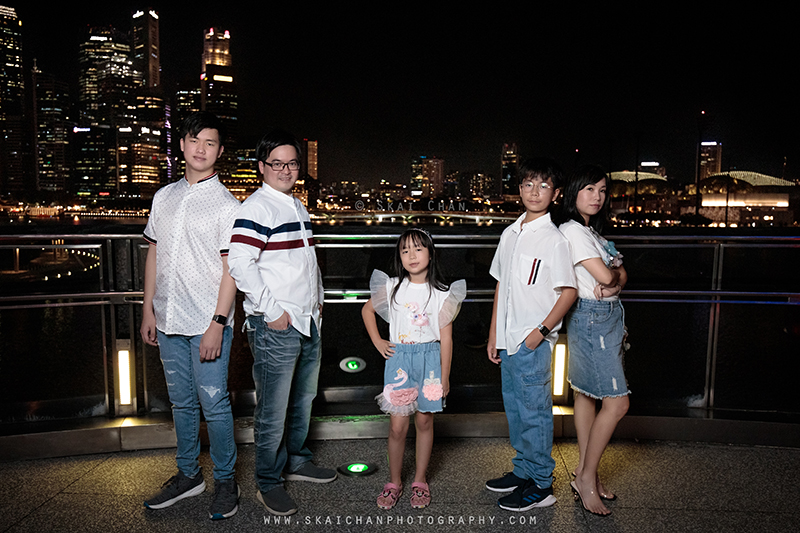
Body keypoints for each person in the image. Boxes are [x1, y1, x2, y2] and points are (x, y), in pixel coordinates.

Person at [227, 129, 335, 517]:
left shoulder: (296, 205)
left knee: (302, 398)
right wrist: (272, 312)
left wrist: (318, 305)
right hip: (277, 324)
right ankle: (268, 482)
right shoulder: (257, 207)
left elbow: (304, 263)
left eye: (292, 163)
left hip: (307, 320)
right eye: (277, 163)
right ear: (262, 167)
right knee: (273, 408)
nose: (286, 169)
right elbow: (239, 264)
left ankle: (297, 460)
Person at [141, 111, 241, 520]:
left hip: (206, 324)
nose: (201, 148)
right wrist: (148, 308)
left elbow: (230, 269)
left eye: (211, 143)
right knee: (181, 404)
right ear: (182, 144)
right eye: (195, 140)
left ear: (219, 152)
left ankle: (226, 481)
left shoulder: (227, 205)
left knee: (214, 405)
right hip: (166, 320)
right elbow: (154, 253)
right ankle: (188, 475)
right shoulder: (163, 196)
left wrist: (217, 324)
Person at [485, 158, 577, 512]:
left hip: (531, 341)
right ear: (519, 188)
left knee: (536, 413)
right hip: (509, 339)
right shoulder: (511, 232)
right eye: (527, 184)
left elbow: (567, 291)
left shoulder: (553, 239)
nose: (534, 192)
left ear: (554, 193)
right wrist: (494, 334)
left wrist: (540, 333)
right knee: (517, 411)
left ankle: (541, 484)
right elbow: (501, 286)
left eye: (543, 185)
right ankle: (523, 471)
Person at [362, 228, 466, 510]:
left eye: (418, 249)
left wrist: (444, 376)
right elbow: (366, 311)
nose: (411, 255)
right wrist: (378, 341)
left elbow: (446, 338)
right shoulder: (392, 286)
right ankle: (394, 482)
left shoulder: (442, 294)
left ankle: (420, 480)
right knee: (397, 426)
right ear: (399, 257)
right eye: (405, 250)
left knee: (424, 421)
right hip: (400, 362)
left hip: (430, 359)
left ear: (431, 254)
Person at [558, 165, 629, 517]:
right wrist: (614, 277)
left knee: (586, 394)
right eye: (589, 189)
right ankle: (585, 476)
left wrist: (615, 279)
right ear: (573, 193)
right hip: (593, 318)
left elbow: (621, 274)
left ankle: (588, 472)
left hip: (601, 316)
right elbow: (607, 274)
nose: (597, 197)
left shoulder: (592, 233)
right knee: (617, 403)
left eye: (602, 190)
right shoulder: (574, 231)